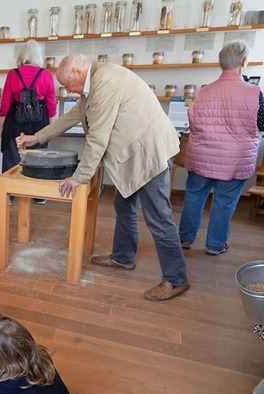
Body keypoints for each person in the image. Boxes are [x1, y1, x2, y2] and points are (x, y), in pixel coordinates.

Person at [17, 54, 189, 302]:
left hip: (148, 154)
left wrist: (79, 177)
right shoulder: (93, 83)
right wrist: (37, 137)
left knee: (159, 217)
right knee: (124, 204)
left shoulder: (105, 82)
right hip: (135, 153)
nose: (67, 90)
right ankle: (123, 257)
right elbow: (72, 116)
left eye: (67, 84)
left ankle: (176, 279)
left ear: (77, 71)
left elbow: (97, 137)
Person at [179, 41, 264, 256]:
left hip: (201, 155)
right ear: (244, 62)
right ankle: (215, 245)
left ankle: (185, 239)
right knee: (224, 202)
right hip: (235, 159)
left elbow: (192, 121)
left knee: (194, 196)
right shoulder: (255, 93)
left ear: (220, 63)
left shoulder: (204, 91)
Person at [0, 40, 57, 206]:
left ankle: (9, 195)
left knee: (11, 155)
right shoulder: (46, 75)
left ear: (22, 56)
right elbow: (51, 103)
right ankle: (38, 194)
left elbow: (5, 103)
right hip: (39, 121)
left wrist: (2, 125)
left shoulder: (13, 74)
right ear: (38, 56)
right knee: (39, 156)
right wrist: (51, 125)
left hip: (15, 119)